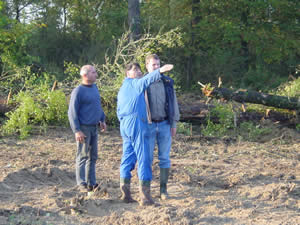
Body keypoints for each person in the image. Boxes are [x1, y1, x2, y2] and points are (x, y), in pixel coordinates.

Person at [117, 62, 173, 206]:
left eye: (139, 70)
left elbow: (118, 110)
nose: (138, 72)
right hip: (136, 123)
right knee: (144, 159)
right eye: (134, 70)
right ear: (127, 73)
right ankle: (146, 198)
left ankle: (125, 194)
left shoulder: (122, 88)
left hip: (124, 124)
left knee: (127, 157)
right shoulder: (135, 84)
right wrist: (160, 70)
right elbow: (148, 80)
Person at [145, 54, 180, 200]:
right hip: (148, 125)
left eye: (158, 65)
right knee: (146, 158)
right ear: (147, 66)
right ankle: (145, 190)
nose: (156, 67)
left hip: (165, 124)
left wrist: (174, 123)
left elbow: (174, 103)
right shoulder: (143, 83)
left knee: (164, 158)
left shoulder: (167, 82)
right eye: (153, 65)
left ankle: (163, 190)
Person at [68, 65, 107, 192]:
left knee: (93, 156)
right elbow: (72, 112)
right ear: (85, 75)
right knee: (82, 156)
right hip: (83, 129)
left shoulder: (95, 88)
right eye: (93, 72)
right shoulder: (78, 91)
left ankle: (92, 183)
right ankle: (81, 183)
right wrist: (77, 130)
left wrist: (102, 119)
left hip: (94, 127)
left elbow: (98, 106)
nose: (96, 74)